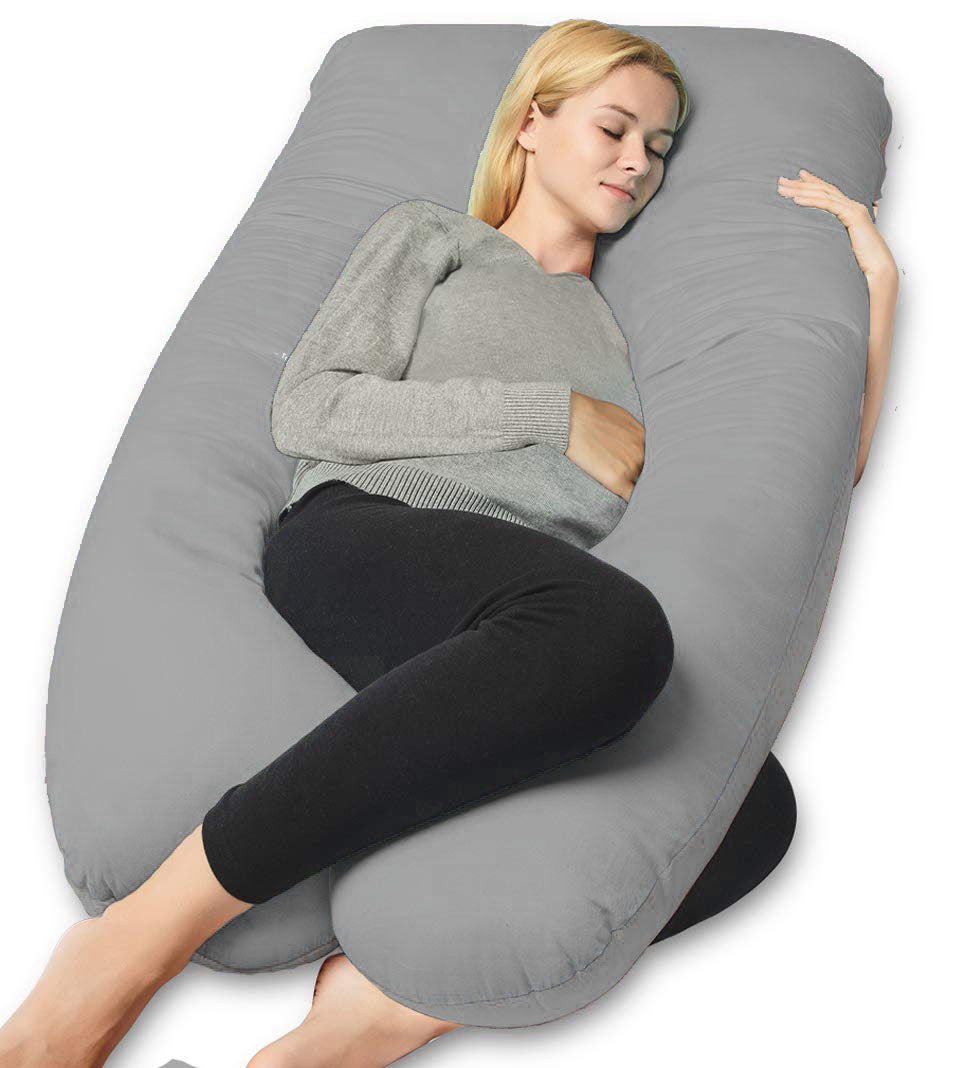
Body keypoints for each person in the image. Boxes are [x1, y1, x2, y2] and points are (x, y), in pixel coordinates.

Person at [0, 18, 897, 1068]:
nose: (636, 164)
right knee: (603, 630)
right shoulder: (437, 240)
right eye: (613, 129)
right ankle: (134, 941)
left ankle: (338, 1036)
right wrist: (553, 413)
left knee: (747, 804)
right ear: (530, 125)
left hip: (529, 617)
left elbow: (808, 477)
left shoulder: (629, 335)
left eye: (658, 148)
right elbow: (313, 406)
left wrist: (875, 289)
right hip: (371, 536)